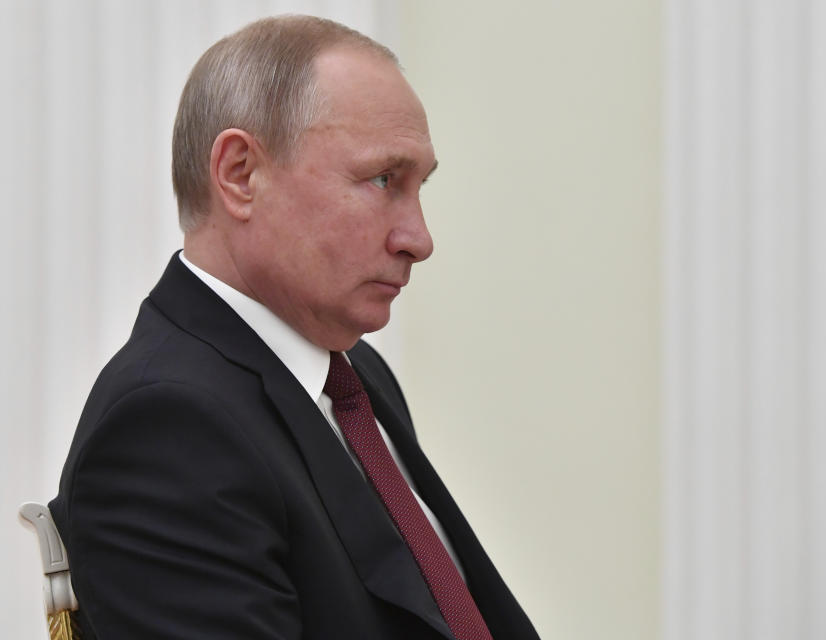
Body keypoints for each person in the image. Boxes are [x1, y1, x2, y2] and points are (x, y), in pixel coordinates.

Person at [49, 15, 539, 640]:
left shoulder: (354, 377)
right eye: (382, 179)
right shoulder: (167, 429)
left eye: (419, 188)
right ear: (239, 174)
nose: (419, 239)